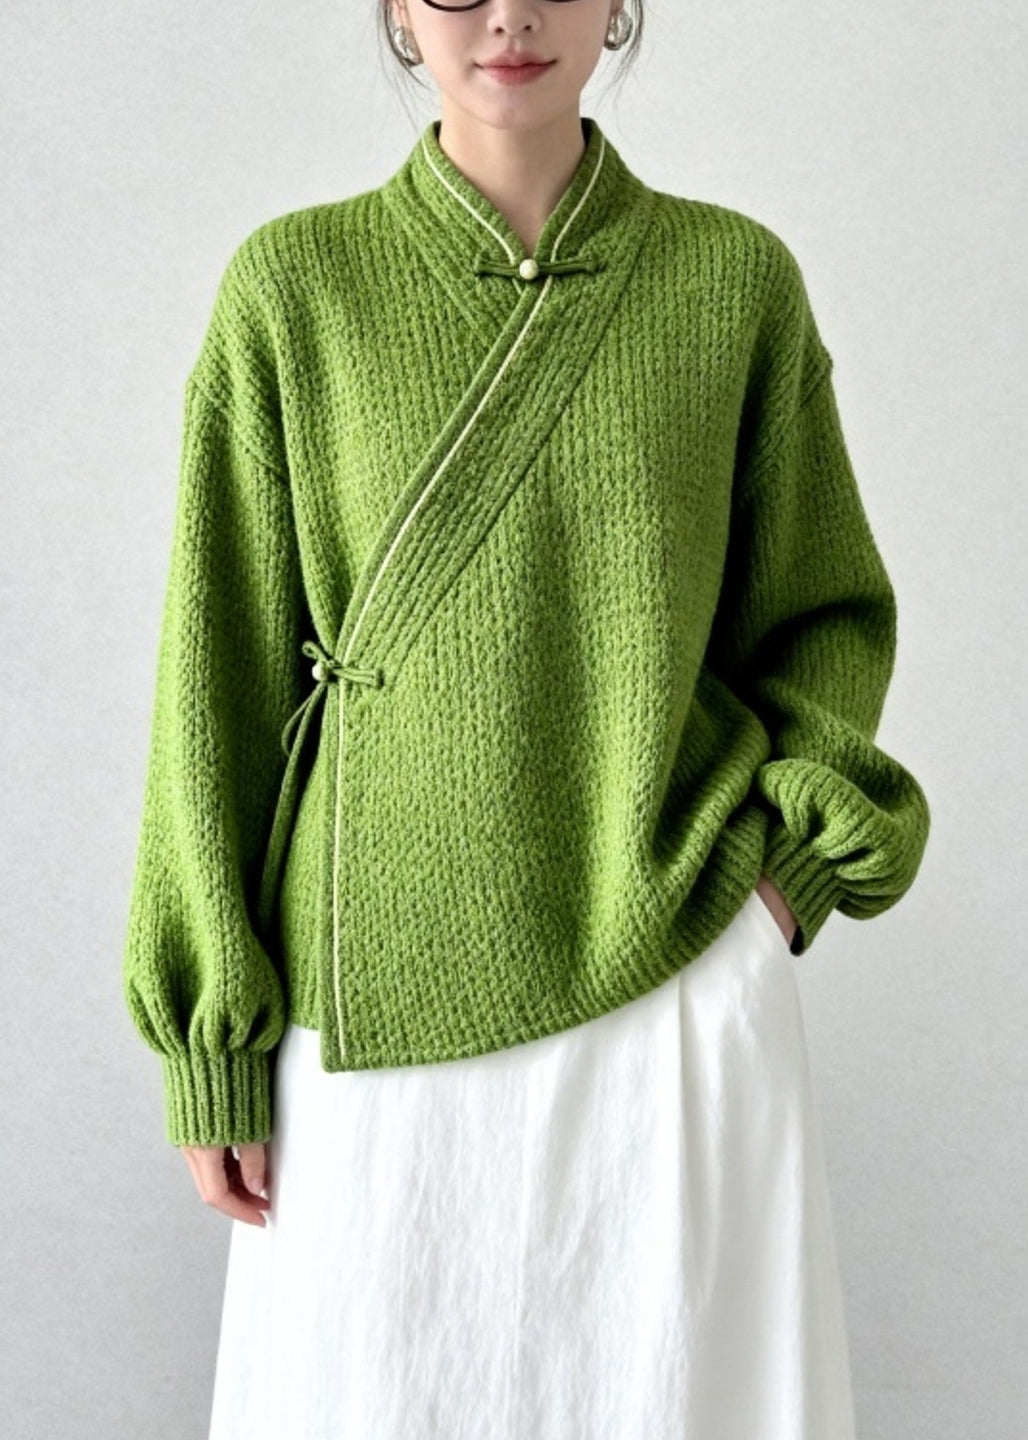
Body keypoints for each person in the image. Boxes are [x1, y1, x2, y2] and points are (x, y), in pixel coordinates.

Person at [122, 2, 931, 1436]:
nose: (507, 15)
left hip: (673, 977)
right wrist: (210, 1035)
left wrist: (776, 899)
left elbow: (822, 619)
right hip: (365, 1003)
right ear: (396, 10)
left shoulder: (732, 283)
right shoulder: (294, 289)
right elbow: (217, 683)